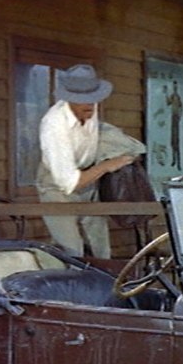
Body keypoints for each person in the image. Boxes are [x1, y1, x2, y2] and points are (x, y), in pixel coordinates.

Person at [36, 64, 135, 258]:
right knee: (72, 250)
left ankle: (104, 284)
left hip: (89, 176)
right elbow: (70, 183)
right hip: (58, 185)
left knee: (101, 248)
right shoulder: (54, 125)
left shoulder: (90, 108)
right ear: (69, 99)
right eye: (83, 100)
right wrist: (106, 166)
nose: (90, 104)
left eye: (93, 98)